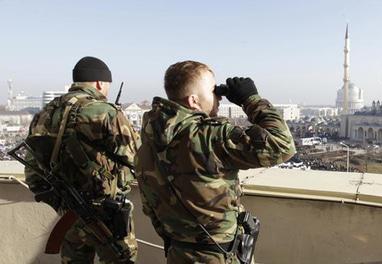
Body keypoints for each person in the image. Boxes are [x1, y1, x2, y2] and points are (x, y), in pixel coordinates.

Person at [135, 60, 296, 263]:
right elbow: (282, 145)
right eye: (214, 91)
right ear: (193, 101)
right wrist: (251, 100)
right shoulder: (210, 136)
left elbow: (150, 207)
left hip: (179, 253)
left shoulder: (147, 143)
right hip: (220, 255)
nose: (219, 96)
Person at [24, 56, 139, 263]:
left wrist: (60, 201)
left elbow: (32, 170)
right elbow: (136, 159)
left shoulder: (45, 113)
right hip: (108, 213)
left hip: (69, 213)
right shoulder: (107, 113)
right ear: (99, 83)